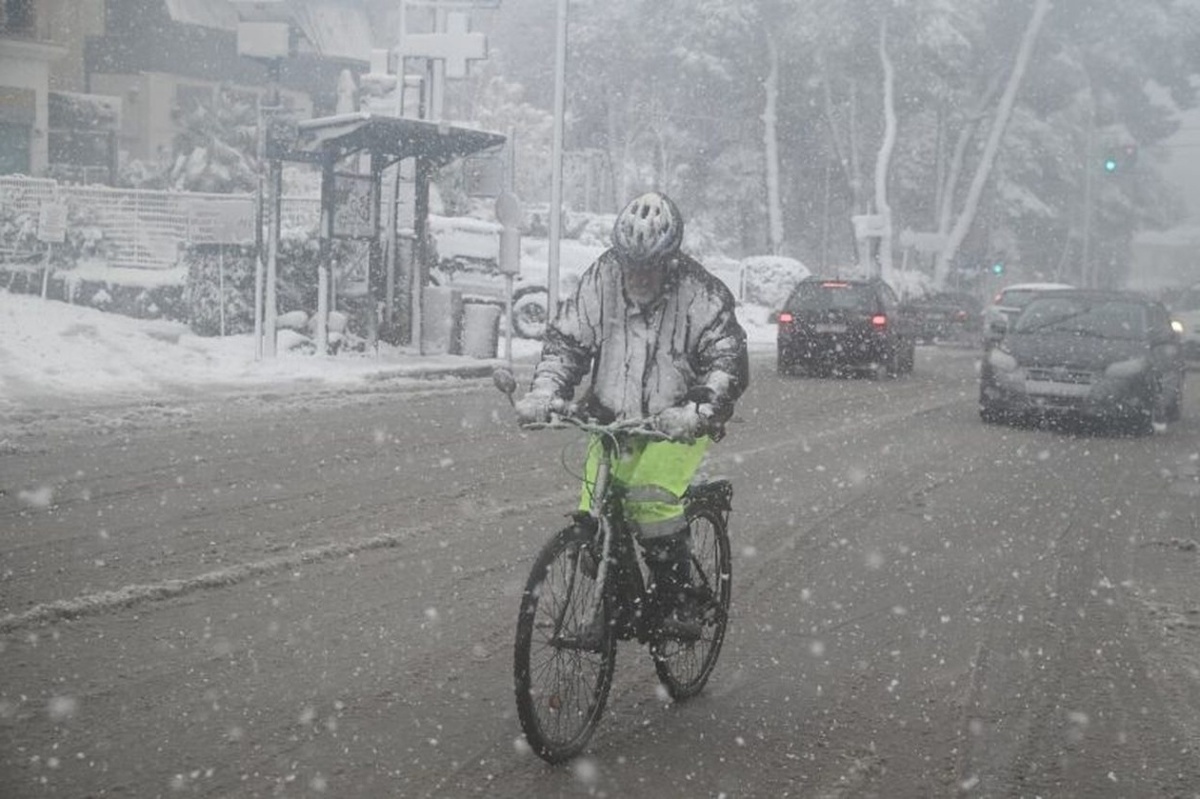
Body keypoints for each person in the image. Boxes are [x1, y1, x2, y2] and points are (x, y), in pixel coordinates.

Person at [515, 191, 749, 639]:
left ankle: (678, 599)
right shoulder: (601, 278)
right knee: (594, 517)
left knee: (651, 500)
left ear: (670, 258)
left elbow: (727, 362)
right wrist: (545, 392)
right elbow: (568, 342)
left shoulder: (702, 294)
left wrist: (698, 411)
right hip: (611, 419)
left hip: (675, 423)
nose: (638, 275)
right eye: (630, 263)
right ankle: (615, 608)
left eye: (650, 265)